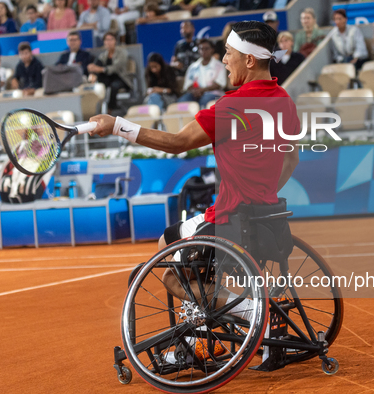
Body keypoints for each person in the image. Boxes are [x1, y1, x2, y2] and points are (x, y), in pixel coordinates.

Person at [87, 21, 299, 318]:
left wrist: (117, 125)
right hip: (265, 217)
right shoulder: (285, 102)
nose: (224, 60)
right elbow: (291, 159)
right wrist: (262, 193)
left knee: (172, 277)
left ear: (249, 60)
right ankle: (203, 330)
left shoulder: (233, 107)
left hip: (233, 218)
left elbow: (177, 142)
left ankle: (252, 312)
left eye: (228, 53)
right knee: (167, 240)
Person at [88, 32, 132, 112]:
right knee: (99, 85)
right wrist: (93, 70)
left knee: (113, 86)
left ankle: (110, 109)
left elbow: (117, 67)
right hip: (108, 78)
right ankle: (95, 108)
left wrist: (101, 69)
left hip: (120, 77)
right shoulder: (103, 55)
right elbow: (98, 64)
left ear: (115, 41)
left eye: (111, 39)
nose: (109, 42)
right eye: (106, 40)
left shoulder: (122, 52)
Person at [178, 39, 226, 109]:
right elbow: (188, 85)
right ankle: (187, 120)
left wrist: (202, 90)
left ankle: (201, 119)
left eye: (206, 49)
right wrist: (195, 91)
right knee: (182, 101)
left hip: (213, 94)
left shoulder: (219, 66)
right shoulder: (193, 67)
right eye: (201, 49)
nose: (203, 51)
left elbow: (219, 84)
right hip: (194, 94)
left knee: (204, 101)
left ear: (212, 50)